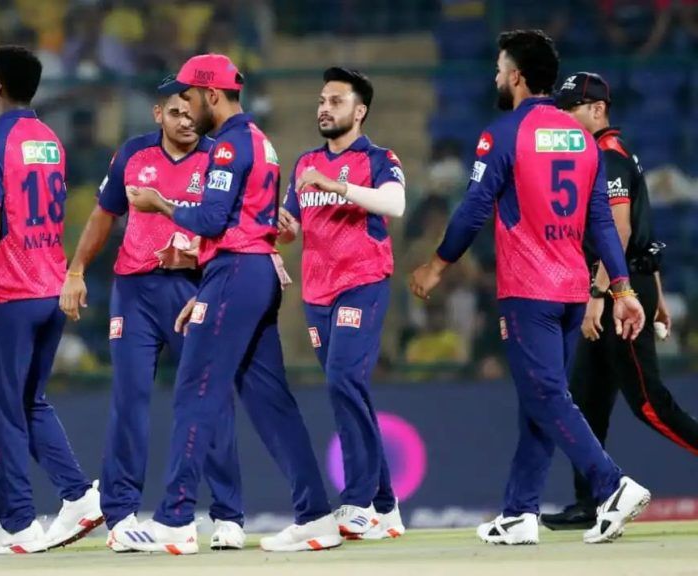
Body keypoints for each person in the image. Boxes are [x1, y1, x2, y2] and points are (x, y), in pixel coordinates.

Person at [408, 30, 651, 545]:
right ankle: (520, 512)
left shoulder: (503, 133)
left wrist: (436, 265)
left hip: (529, 290)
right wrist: (622, 288)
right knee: (542, 398)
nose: (496, 77)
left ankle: (611, 485)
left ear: (517, 77)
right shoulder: (581, 139)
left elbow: (474, 209)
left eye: (500, 69)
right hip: (571, 291)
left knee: (545, 395)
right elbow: (601, 222)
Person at [111, 54, 341, 555]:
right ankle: (316, 517)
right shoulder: (259, 140)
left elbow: (213, 221)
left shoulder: (230, 145)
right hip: (251, 274)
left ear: (211, 94)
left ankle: (175, 520)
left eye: (190, 96)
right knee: (271, 402)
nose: (187, 106)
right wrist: (210, 292)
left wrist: (159, 203)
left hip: (236, 271)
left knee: (195, 390)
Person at [59, 79, 246, 552]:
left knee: (210, 397)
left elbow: (232, 228)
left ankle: (228, 515)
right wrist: (76, 271)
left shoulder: (218, 158)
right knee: (129, 398)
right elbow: (103, 216)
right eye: (175, 113)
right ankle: (121, 515)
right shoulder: (132, 154)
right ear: (158, 113)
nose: (186, 122)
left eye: (191, 113)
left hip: (194, 289)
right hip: (134, 292)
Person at [0, 45, 102, 555]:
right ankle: (79, 496)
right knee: (30, 401)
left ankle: (18, 525)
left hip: (8, 295)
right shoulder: (50, 139)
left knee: (5, 411)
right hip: (50, 287)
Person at [541, 72, 698, 530]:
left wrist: (598, 295)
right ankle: (590, 502)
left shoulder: (607, 157)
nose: (562, 119)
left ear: (597, 109)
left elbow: (620, 232)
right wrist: (658, 294)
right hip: (628, 284)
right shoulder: (609, 155)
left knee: (649, 403)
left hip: (616, 291)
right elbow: (642, 238)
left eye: (570, 110)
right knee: (585, 400)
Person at [278, 66, 407, 540]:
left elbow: (395, 204)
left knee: (343, 380)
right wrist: (281, 231)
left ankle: (358, 503)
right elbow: (291, 223)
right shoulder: (305, 162)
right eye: (321, 101)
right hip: (316, 293)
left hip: (362, 282)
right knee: (350, 390)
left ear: (360, 110)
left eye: (335, 101)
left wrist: (339, 187)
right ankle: (386, 508)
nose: (324, 108)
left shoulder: (378, 158)